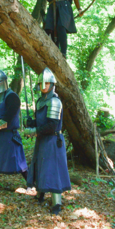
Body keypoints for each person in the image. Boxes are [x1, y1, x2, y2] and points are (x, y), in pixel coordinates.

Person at [24, 67, 71, 215]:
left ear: (52, 84)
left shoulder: (55, 102)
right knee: (40, 166)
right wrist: (31, 123)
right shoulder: (40, 101)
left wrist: (34, 131)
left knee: (53, 169)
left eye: (46, 84)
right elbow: (41, 122)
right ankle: (40, 193)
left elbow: (51, 126)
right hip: (42, 140)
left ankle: (57, 202)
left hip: (52, 140)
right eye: (41, 84)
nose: (43, 86)